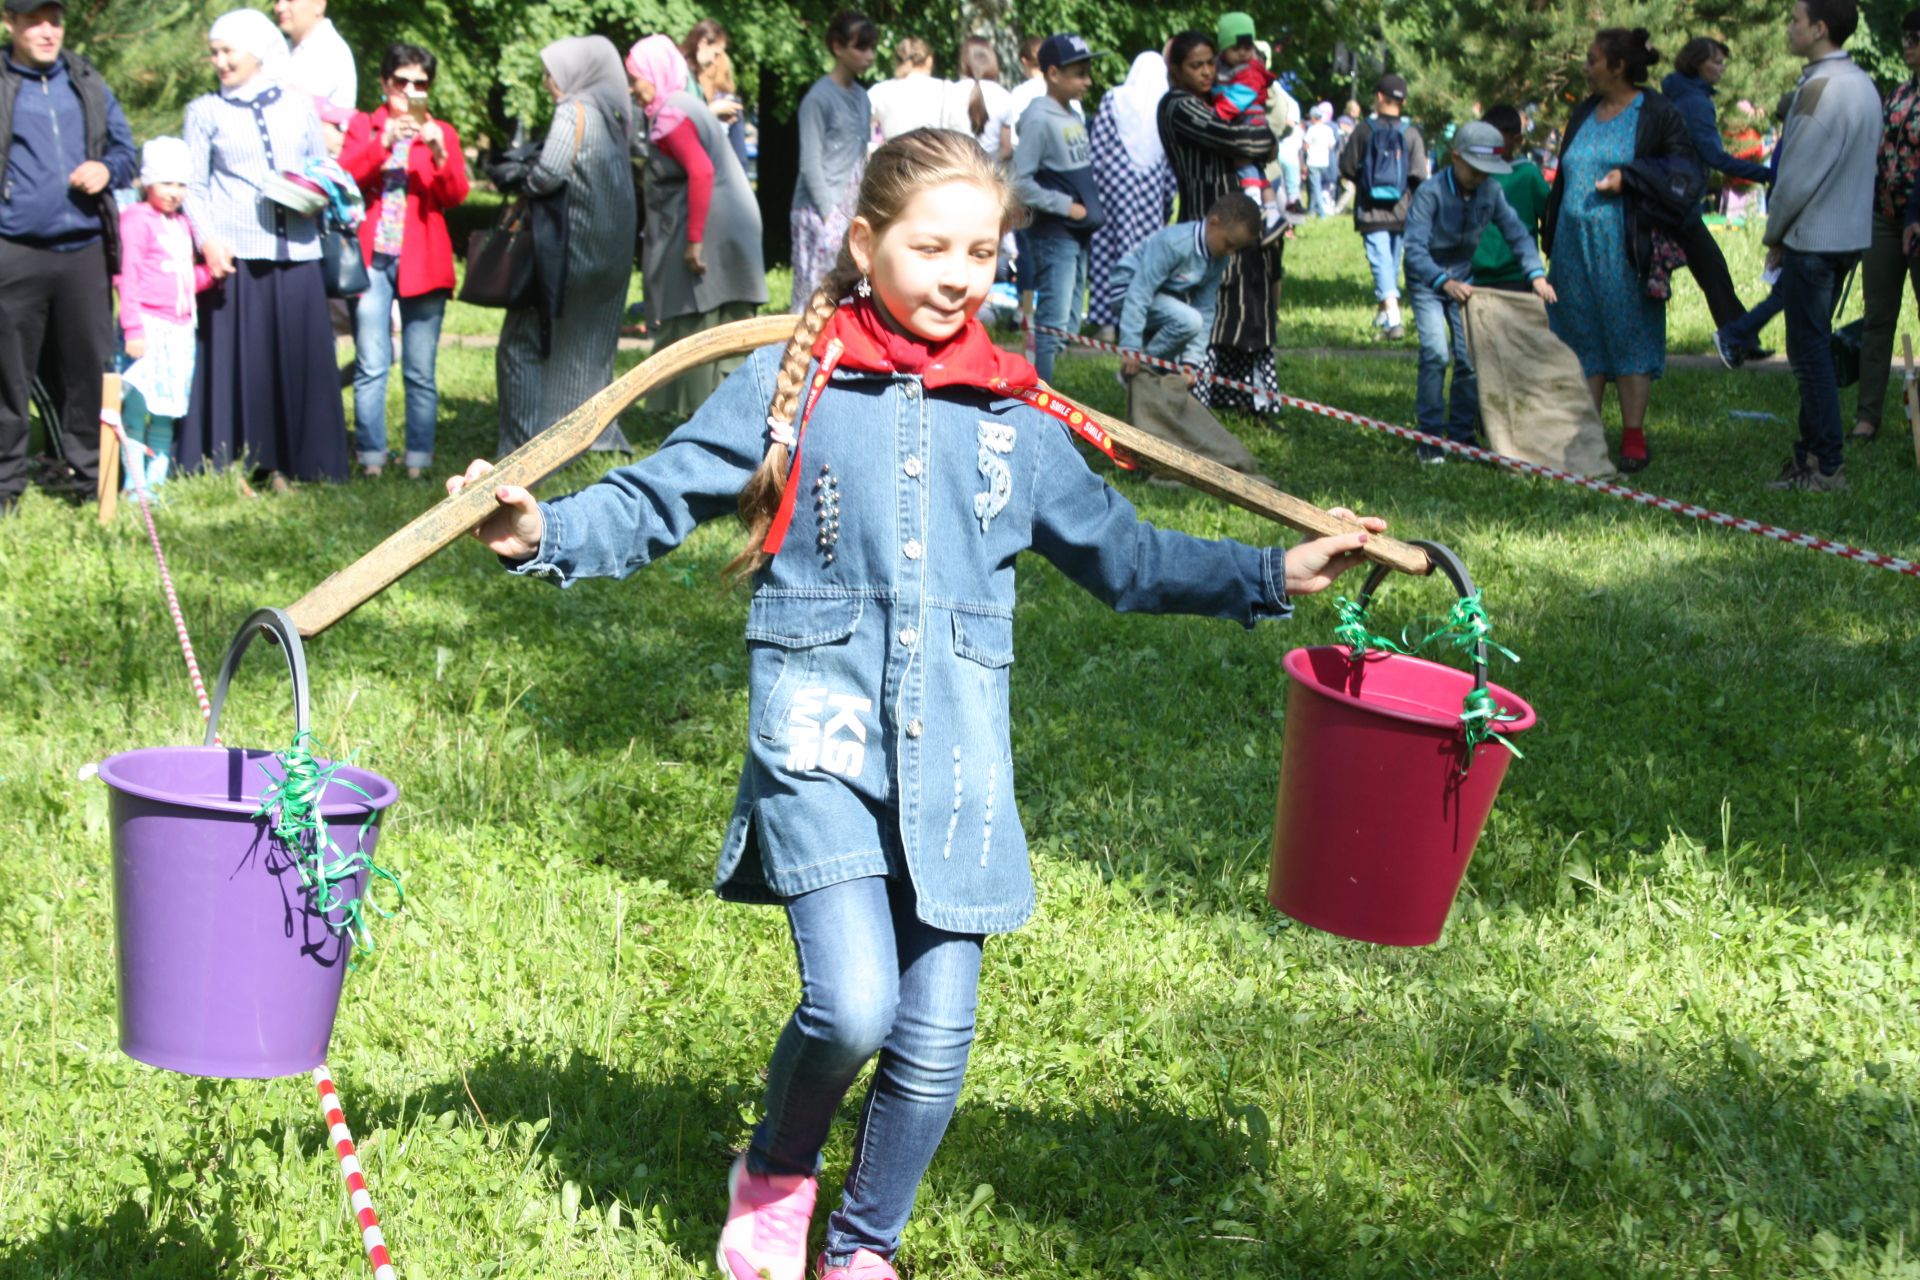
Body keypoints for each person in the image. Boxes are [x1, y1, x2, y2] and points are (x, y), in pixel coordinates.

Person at [445, 125, 1387, 1280]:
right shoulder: (792, 382)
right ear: (863, 241)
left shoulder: (1016, 414)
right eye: (931, 246)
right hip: (819, 737)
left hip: (957, 759)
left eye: (982, 251)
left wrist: (1268, 573)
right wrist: (542, 530)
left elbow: (1122, 557)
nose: (958, 273)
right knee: (850, 1004)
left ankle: (863, 1246)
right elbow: (655, 494)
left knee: (936, 1035)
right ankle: (778, 1173)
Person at [179, 7, 347, 487]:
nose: (220, 61)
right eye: (214, 52)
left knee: (299, 361)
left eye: (228, 50)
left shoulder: (298, 105)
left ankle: (307, 463)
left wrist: (320, 195)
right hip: (238, 256)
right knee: (245, 365)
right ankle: (244, 463)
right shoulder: (204, 111)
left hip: (298, 250)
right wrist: (207, 239)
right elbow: (193, 183)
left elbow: (320, 166)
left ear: (256, 51)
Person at [0, 0, 135, 512]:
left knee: (91, 373)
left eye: (53, 19)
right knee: (7, 377)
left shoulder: (85, 80)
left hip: (83, 250)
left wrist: (106, 170)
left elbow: (126, 152)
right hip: (14, 249)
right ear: (10, 22)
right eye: (33, 19)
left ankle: (96, 487)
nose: (46, 30)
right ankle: (5, 491)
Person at [1542, 28, 1693, 473]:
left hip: (1626, 246)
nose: (1585, 67)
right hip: (1573, 249)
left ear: (1618, 65)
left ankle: (1633, 435)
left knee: (1628, 332)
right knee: (1578, 335)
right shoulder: (1585, 111)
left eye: (1591, 59)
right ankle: (1586, 436)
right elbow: (1567, 174)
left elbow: (1683, 171)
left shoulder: (1656, 112)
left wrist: (1629, 180)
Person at [494, 35, 636, 454]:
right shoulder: (612, 117)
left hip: (569, 251)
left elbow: (548, 174)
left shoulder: (574, 112)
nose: (547, 83)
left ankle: (521, 445)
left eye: (552, 74)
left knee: (521, 341)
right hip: (609, 254)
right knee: (587, 347)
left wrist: (518, 178)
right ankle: (586, 435)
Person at [1761, 0, 1879, 491]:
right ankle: (1810, 457)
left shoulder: (1819, 89)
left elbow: (1795, 178)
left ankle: (1826, 466)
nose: (1789, 28)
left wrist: (1774, 237)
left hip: (1814, 239)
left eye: (1795, 19)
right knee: (1815, 350)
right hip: (1848, 237)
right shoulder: (1864, 84)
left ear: (1819, 28)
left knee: (1809, 355)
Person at [338, 42, 469, 479]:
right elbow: (344, 176)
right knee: (371, 363)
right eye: (401, 82)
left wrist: (440, 154)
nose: (409, 90)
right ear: (384, 83)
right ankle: (371, 458)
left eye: (420, 83)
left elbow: (455, 195)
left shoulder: (441, 131)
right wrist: (383, 142)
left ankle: (418, 461)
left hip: (424, 261)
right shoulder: (365, 126)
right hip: (372, 260)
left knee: (420, 370)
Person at [627, 33, 767, 419]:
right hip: (730, 221)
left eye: (636, 76)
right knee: (721, 321)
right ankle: (731, 415)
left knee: (700, 320)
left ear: (656, 73)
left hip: (714, 229)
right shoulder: (682, 105)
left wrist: (693, 241)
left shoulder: (672, 114)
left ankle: (705, 417)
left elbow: (701, 171)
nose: (632, 87)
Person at [1402, 120, 1557, 461]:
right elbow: (1413, 250)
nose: (1482, 177)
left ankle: (1461, 436)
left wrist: (1535, 274)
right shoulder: (1430, 193)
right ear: (1455, 157)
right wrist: (1443, 281)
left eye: (1488, 171)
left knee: (1470, 358)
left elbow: (1517, 233)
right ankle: (1429, 439)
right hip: (1428, 279)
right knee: (1435, 353)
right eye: (1475, 170)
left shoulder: (1491, 191)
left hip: (1465, 277)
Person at [1158, 29, 1280, 411]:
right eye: (1196, 65)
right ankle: (1195, 401)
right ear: (1176, 70)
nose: (1207, 72)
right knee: (1207, 310)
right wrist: (1258, 136)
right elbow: (1238, 139)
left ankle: (1247, 400)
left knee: (1248, 306)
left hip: (1237, 221)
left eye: (1211, 63)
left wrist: (1259, 136)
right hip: (1203, 222)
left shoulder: (1215, 100)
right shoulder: (1178, 105)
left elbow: (1264, 139)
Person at [114, 137, 210, 493]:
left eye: (181, 184)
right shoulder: (137, 220)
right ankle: (133, 483)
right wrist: (132, 329)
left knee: (167, 409)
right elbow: (129, 277)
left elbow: (180, 277)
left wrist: (208, 275)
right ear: (148, 181)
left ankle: (156, 482)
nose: (175, 192)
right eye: (167, 183)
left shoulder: (182, 224)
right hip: (149, 327)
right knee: (138, 409)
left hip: (181, 329)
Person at [1012, 32, 1103, 382]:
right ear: (1053, 74)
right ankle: (1040, 401)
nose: (1087, 81)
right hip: (1055, 233)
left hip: (1077, 235)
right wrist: (1066, 206)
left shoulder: (1071, 114)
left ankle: (1044, 391)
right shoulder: (1038, 118)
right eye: (1079, 73)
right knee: (1051, 323)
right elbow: (1020, 181)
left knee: (1067, 321)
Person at [1849, 6, 1920, 444]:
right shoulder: (1898, 92)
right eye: (1907, 35)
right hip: (1884, 217)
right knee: (1878, 317)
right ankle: (1867, 418)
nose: (1908, 42)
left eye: (1917, 36)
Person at [1109, 191, 1261, 377]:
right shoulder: (1176, 243)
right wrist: (1130, 347)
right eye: (1229, 244)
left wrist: (1191, 362)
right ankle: (1139, 366)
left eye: (1237, 249)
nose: (1231, 253)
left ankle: (1141, 381)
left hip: (1160, 298)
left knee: (1175, 351)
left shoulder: (1219, 259)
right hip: (1127, 292)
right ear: (1213, 222)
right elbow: (1140, 291)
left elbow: (1205, 308)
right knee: (1188, 322)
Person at [1086, 50, 1177, 336]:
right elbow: (1170, 162)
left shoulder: (1114, 98)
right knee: (1147, 259)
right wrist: (1166, 200)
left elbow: (1097, 150)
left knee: (1106, 254)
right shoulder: (1166, 105)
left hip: (1110, 191)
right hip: (1151, 191)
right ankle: (1138, 322)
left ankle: (1105, 322)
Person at [791, 10, 876, 311]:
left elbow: (862, 156)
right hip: (817, 212)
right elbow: (810, 163)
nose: (869, 56)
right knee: (810, 296)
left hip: (849, 210)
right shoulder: (818, 99)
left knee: (848, 296)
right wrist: (830, 215)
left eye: (871, 48)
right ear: (838, 47)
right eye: (860, 47)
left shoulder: (863, 98)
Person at [1338, 73, 1428, 342]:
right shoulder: (1411, 133)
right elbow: (1419, 175)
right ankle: (1383, 314)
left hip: (1370, 210)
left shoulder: (1365, 130)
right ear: (1404, 101)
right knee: (1390, 262)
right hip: (1402, 212)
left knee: (1381, 263)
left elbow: (1346, 166)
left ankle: (1393, 317)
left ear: (1379, 97)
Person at [1472, 105, 1552, 292]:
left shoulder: (1528, 174)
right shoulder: (1474, 173)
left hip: (1517, 274)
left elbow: (1550, 217)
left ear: (1517, 140)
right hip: (1473, 275)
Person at [1211, 12, 1277, 209]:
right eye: (1235, 48)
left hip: (1248, 121)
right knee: (1257, 170)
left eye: (1247, 48)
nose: (1242, 53)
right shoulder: (1221, 66)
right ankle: (1271, 210)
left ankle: (1253, 201)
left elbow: (1237, 99)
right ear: (1224, 48)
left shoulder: (1250, 71)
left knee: (1244, 161)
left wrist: (1216, 114)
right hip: (1241, 118)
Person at [274, 0, 354, 136]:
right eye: (277, 0)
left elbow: (290, 116)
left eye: (290, 0)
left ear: (319, 5)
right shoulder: (279, 50)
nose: (280, 8)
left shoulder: (330, 50)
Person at [682, 19, 748, 168]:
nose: (715, 61)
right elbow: (677, 124)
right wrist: (712, 111)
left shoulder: (692, 79)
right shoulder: (681, 75)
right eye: (716, 54)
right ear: (703, 43)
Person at [866, 38, 950, 143]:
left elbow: (862, 124)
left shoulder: (879, 91)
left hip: (893, 155)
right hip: (935, 155)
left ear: (897, 61)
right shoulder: (946, 89)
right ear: (929, 60)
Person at [955, 36, 1015, 160]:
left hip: (959, 166)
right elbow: (1006, 150)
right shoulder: (1004, 96)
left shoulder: (951, 92)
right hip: (992, 170)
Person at [1302, 102, 1336, 216]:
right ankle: (1311, 211)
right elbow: (1331, 145)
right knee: (1315, 185)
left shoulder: (1312, 129)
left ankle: (1322, 213)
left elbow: (1305, 145)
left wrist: (1309, 151)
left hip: (1313, 161)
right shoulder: (1328, 129)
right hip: (1324, 161)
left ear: (1312, 117)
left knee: (1316, 187)